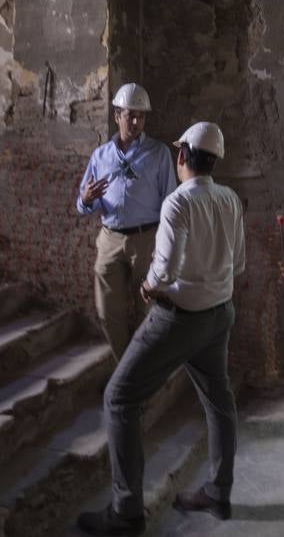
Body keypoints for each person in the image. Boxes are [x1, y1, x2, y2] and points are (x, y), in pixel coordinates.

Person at [77, 121, 246, 536]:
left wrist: (149, 286)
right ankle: (218, 493)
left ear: (182, 156)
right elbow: (238, 263)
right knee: (219, 401)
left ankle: (126, 511)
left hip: (180, 317)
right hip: (220, 313)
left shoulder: (177, 203)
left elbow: (165, 269)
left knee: (118, 397)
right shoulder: (228, 199)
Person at [77, 83, 178, 360]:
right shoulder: (101, 156)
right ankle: (125, 366)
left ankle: (144, 368)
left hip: (146, 239)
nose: (135, 122)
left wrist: (164, 243)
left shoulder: (158, 154)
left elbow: (170, 202)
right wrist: (86, 199)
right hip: (109, 238)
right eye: (130, 115)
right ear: (116, 116)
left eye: (141, 116)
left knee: (149, 310)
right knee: (107, 311)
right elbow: (84, 205)